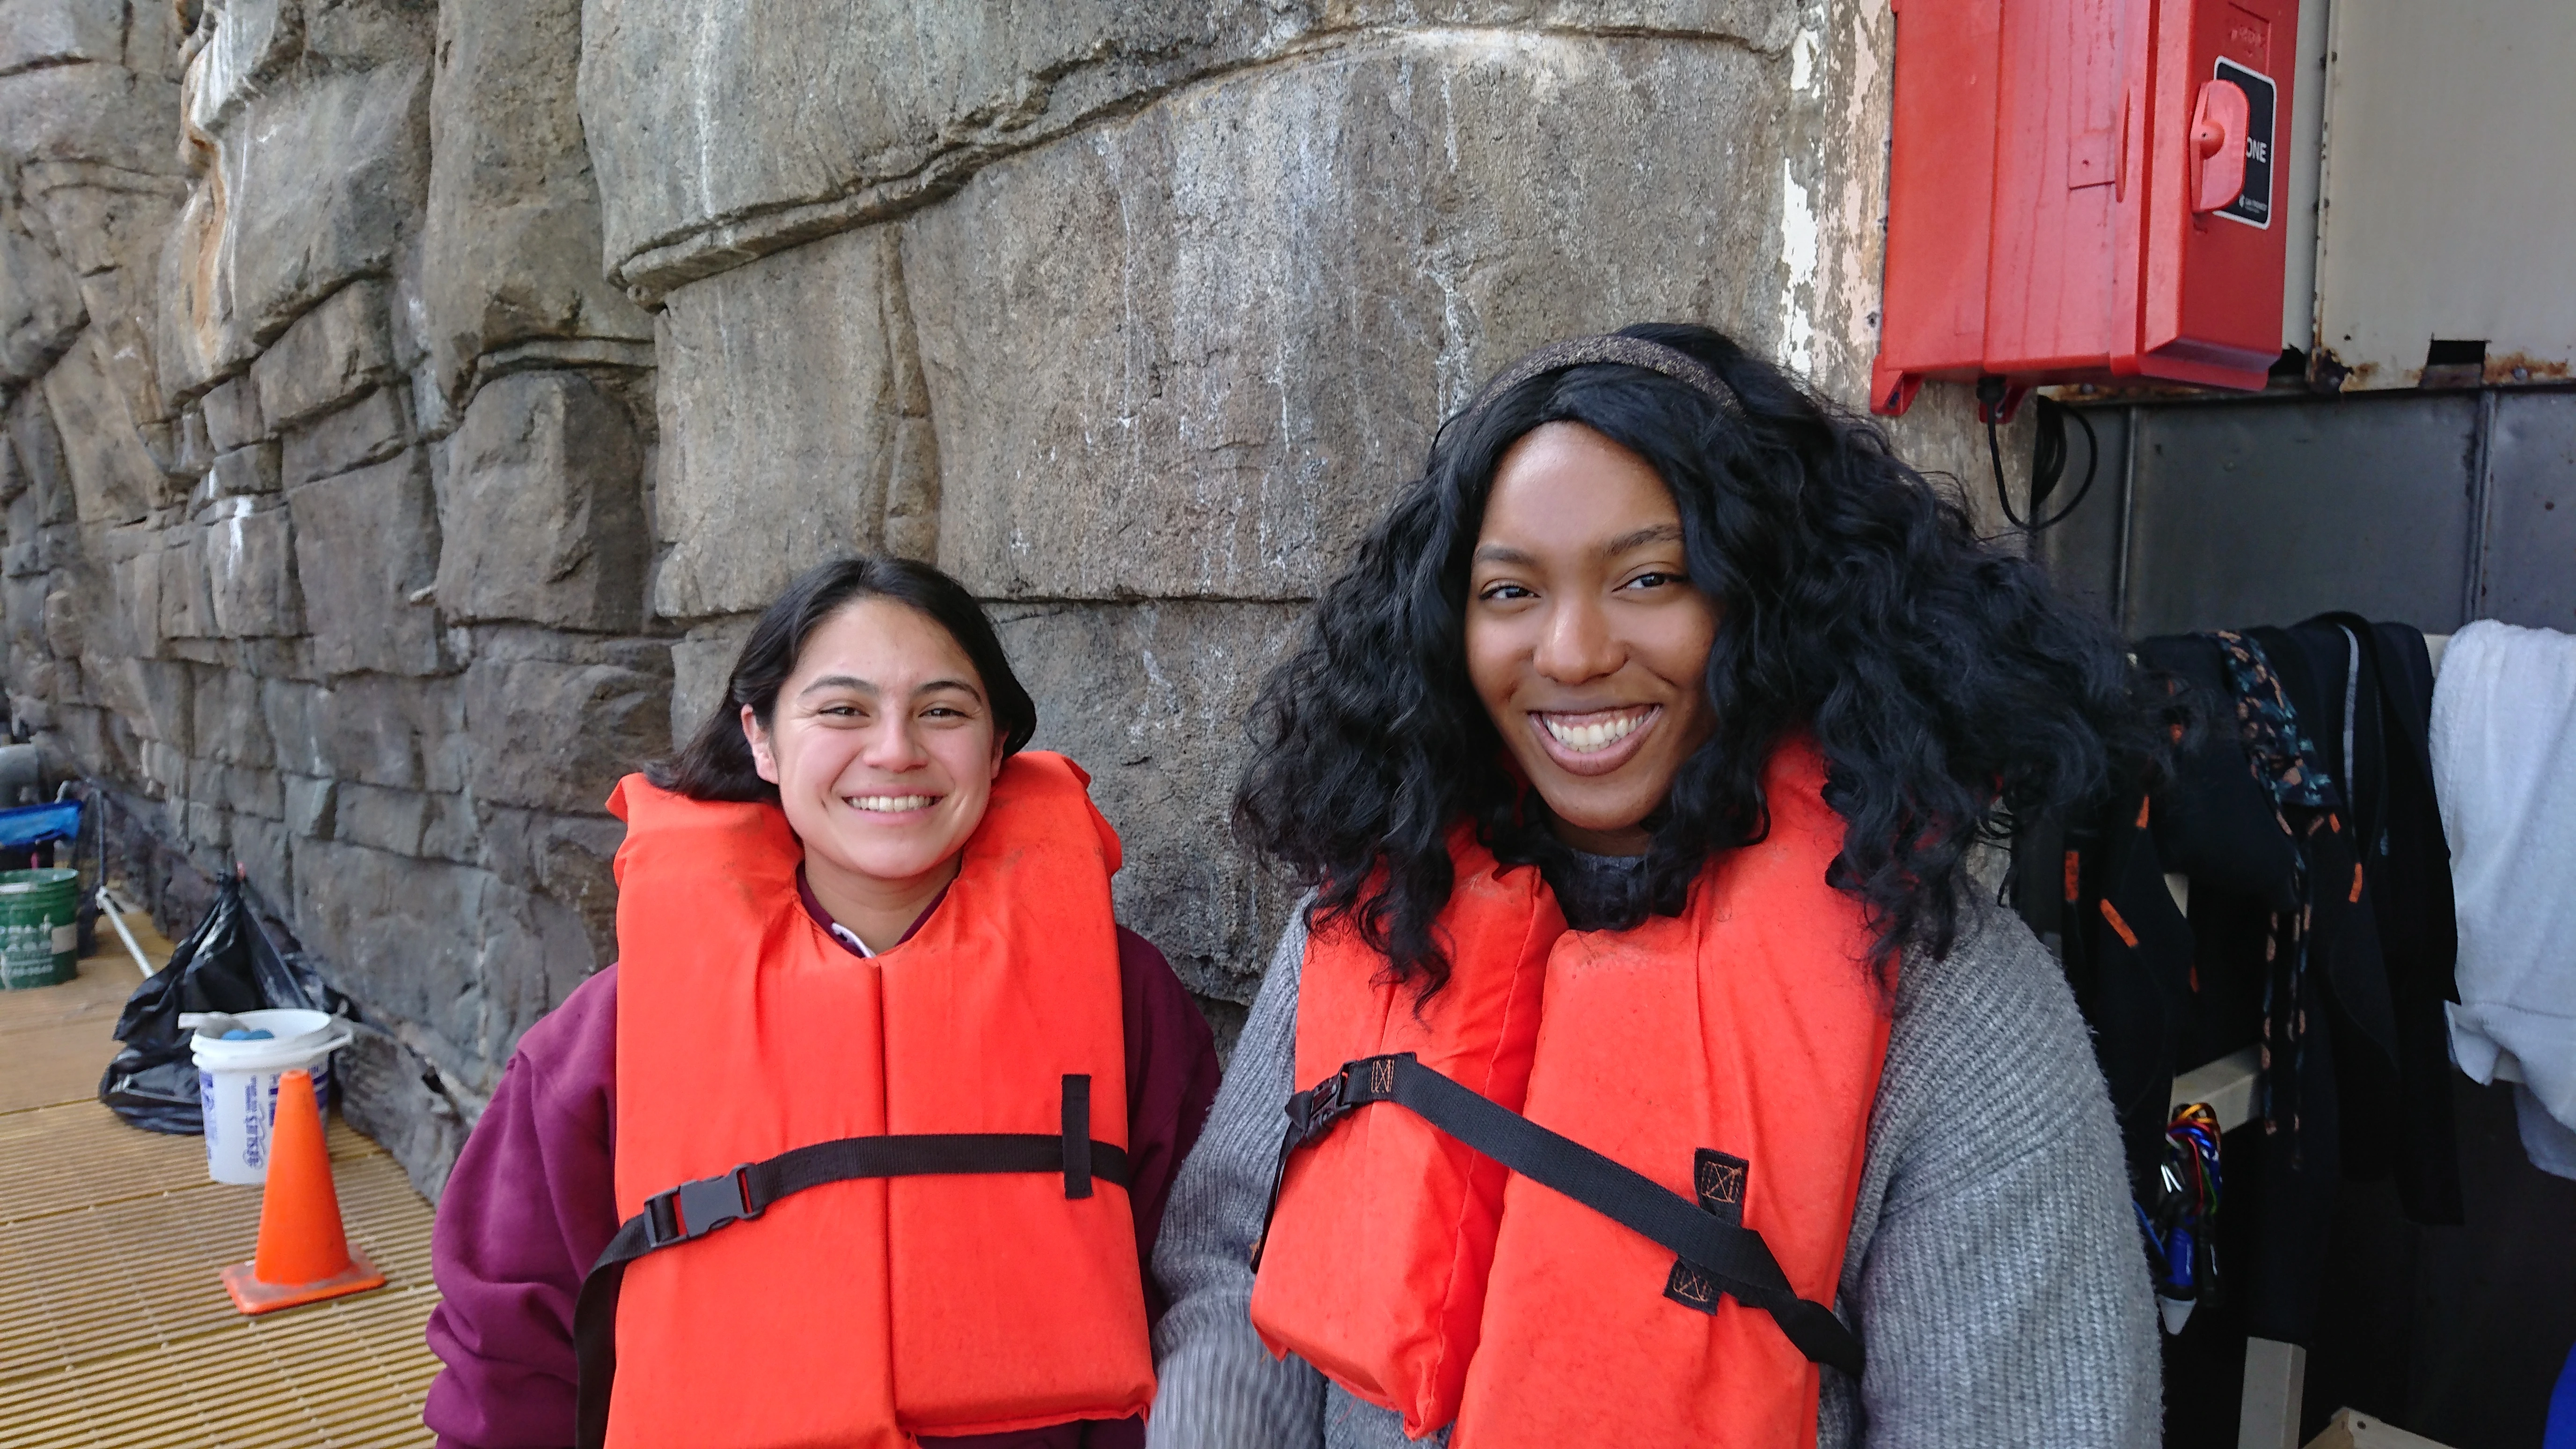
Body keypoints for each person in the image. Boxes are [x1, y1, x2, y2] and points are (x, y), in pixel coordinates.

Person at [1147, 326, 2164, 1448]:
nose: (1573, 651)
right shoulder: (1369, 915)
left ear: (1769, 596)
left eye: (1650, 578)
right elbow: (1228, 1272)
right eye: (1509, 591)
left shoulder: (1952, 1003)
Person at [425, 556, 1220, 1449]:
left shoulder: (1128, 1001)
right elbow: (508, 1355)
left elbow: (1212, 1284)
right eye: (843, 710)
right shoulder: (608, 1038)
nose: (894, 750)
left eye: (943, 711)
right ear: (761, 738)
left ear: (998, 749)